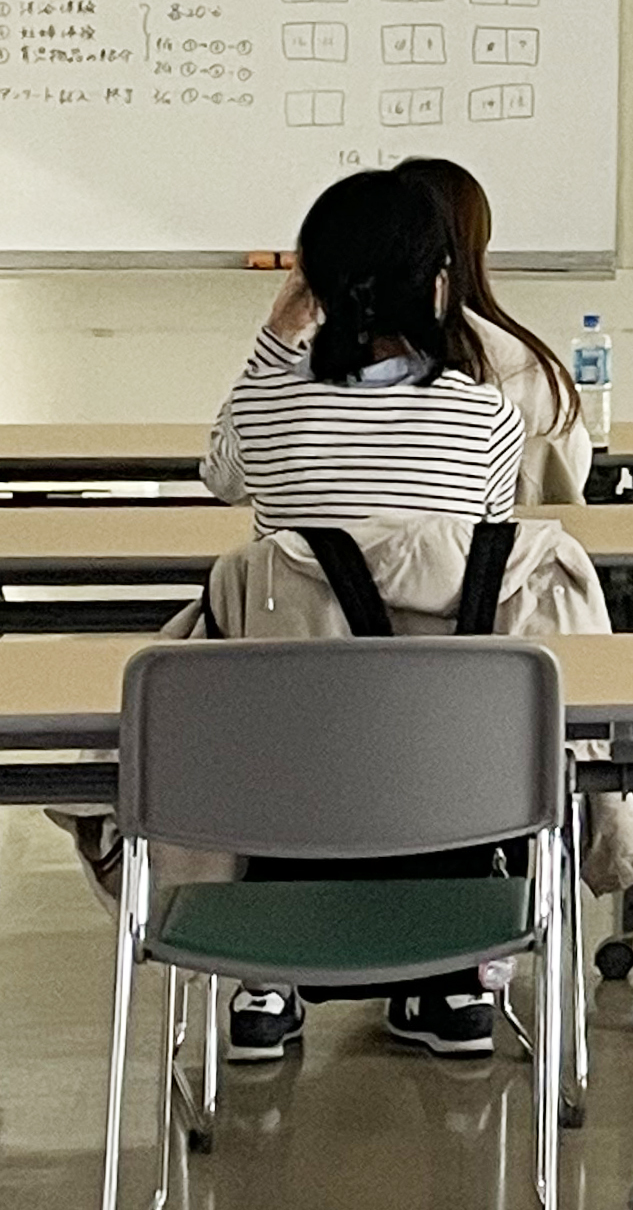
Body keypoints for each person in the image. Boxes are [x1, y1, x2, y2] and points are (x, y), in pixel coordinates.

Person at [205, 168, 526, 1064]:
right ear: (438, 282)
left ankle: (266, 975)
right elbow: (476, 553)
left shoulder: (271, 406)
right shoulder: (488, 417)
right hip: (450, 769)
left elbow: (221, 474)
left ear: (314, 281)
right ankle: (452, 980)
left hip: (287, 763)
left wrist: (277, 339)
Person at [397, 156, 591, 503]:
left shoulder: (328, 365)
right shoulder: (524, 365)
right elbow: (568, 480)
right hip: (500, 554)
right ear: (476, 245)